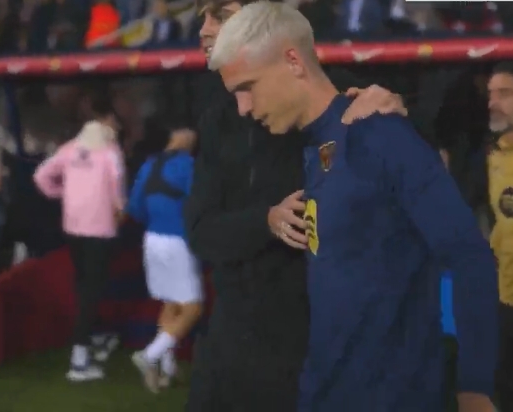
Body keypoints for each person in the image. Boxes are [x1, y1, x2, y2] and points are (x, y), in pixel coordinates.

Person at [209, 2, 498, 411]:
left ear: (293, 60)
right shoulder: (317, 148)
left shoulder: (378, 134)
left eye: (247, 87)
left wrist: (475, 389)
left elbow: (470, 257)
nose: (244, 108)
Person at [184, 0, 410, 410]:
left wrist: (397, 119)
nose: (205, 29)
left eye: (220, 14)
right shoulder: (217, 119)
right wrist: (267, 221)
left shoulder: (342, 98)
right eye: (203, 17)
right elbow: (201, 232)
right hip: (232, 347)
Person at [33, 104, 125, 382]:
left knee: (85, 285)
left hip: (73, 227)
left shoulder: (69, 149)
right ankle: (79, 360)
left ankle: (94, 337)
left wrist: (62, 193)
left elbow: (40, 176)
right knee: (92, 290)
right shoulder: (110, 151)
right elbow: (118, 188)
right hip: (100, 228)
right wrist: (120, 211)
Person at [127, 126, 200, 392]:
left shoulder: (149, 165)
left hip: (152, 239)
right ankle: (149, 356)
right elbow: (198, 205)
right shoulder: (189, 165)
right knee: (192, 308)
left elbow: (135, 207)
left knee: (171, 302)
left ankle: (168, 369)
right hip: (177, 240)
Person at [470, 61, 513, 412]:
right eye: (490, 94)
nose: (493, 103)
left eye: (505, 93)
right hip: (504, 299)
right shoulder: (489, 156)